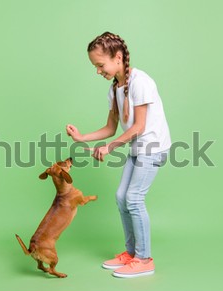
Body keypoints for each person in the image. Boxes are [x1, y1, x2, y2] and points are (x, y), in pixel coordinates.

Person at [66, 31, 171, 278]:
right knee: (121, 196)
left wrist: (110, 147)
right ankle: (132, 253)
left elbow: (139, 127)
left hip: (152, 147)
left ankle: (144, 259)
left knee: (134, 198)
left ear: (118, 57)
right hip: (138, 148)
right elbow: (110, 128)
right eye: (95, 66)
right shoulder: (115, 90)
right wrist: (81, 138)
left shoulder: (140, 82)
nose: (98, 71)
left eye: (100, 65)